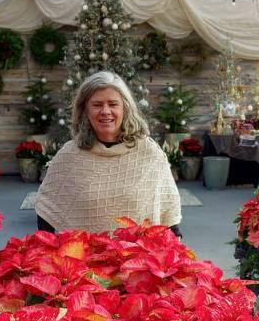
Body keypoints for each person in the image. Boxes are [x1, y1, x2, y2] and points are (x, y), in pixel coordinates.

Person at [35, 70, 181, 235]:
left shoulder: (149, 153)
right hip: (83, 258)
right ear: (85, 110)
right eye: (97, 105)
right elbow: (47, 212)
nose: (105, 111)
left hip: (137, 258)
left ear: (125, 108)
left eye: (113, 104)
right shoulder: (69, 155)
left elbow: (169, 216)